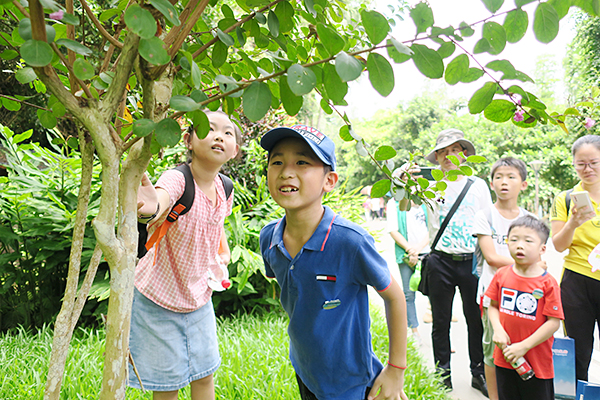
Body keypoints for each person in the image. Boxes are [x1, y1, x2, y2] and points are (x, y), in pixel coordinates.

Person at [259, 124, 408, 400]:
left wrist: (396, 370)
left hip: (349, 381)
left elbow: (396, 298)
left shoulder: (350, 242)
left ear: (329, 180)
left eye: (302, 162)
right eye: (277, 161)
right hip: (305, 368)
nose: (286, 171)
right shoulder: (269, 237)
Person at [129, 110, 240, 400]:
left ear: (234, 150)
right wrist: (152, 206)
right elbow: (162, 199)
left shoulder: (225, 188)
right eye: (209, 128)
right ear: (188, 140)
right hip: (158, 298)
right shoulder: (178, 179)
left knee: (204, 375)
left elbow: (218, 222)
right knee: (167, 385)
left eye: (227, 133)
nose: (219, 136)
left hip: (198, 297)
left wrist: (222, 252)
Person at [422, 128, 492, 395]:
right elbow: (409, 207)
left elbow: (487, 222)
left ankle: (478, 373)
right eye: (443, 152)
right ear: (437, 158)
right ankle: (443, 376)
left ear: (464, 155)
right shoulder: (429, 187)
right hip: (440, 260)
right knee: (440, 321)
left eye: (454, 150)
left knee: (476, 320)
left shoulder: (478, 186)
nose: (448, 156)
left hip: (472, 261)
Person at [486, 216, 563, 400]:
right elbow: (493, 306)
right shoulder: (501, 275)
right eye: (514, 239)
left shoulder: (548, 283)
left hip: (537, 363)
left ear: (542, 249)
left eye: (528, 241)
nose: (520, 245)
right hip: (505, 359)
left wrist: (523, 346)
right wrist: (497, 330)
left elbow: (554, 322)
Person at [472, 157, 530, 400]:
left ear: (523, 184)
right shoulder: (484, 215)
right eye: (498, 177)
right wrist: (527, 261)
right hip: (492, 297)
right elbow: (492, 257)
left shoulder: (529, 220)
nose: (504, 182)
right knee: (492, 351)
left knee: (523, 348)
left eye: (511, 177)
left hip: (524, 296)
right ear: (491, 183)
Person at [551, 134, 600, 381]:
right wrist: (573, 222)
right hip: (576, 281)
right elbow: (558, 245)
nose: (587, 169)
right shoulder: (566, 198)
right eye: (581, 163)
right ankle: (578, 394)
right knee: (579, 351)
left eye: (593, 162)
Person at [386, 169, 430, 344]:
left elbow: (434, 227)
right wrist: (411, 250)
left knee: (436, 294)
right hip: (405, 255)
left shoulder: (427, 200)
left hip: (427, 253)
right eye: (407, 177)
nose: (412, 180)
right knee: (408, 294)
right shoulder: (394, 203)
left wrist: (419, 248)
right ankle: (414, 331)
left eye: (415, 177)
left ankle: (441, 334)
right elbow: (393, 230)